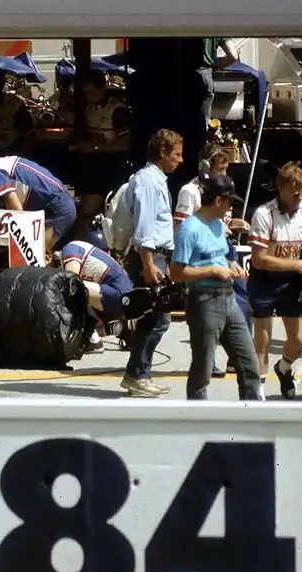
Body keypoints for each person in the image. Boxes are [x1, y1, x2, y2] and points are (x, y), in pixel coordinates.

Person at [170, 174, 262, 400]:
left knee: (250, 366)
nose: (231, 208)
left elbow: (219, 255)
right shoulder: (189, 229)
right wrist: (213, 270)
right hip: (204, 300)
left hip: (229, 299)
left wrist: (229, 264)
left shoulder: (218, 225)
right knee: (203, 370)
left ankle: (251, 419)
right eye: (229, 202)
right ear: (218, 201)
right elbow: (176, 273)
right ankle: (198, 420)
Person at [248, 162, 302, 399]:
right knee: (263, 339)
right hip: (265, 281)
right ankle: (258, 391)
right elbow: (259, 260)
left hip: (293, 281)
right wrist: (297, 265)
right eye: (294, 191)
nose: (299, 196)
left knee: (298, 340)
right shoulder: (263, 214)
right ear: (280, 188)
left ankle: (284, 368)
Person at [175, 142, 252, 376]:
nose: (224, 174)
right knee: (209, 313)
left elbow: (217, 220)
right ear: (206, 167)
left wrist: (231, 224)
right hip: (202, 256)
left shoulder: (223, 189)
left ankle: (236, 356)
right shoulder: (190, 191)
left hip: (225, 249)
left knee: (242, 299)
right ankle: (209, 361)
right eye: (220, 169)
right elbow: (182, 225)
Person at [119, 128, 184, 397]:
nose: (180, 160)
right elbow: (145, 225)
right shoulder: (147, 181)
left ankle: (138, 374)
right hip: (149, 255)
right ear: (163, 152)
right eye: (177, 155)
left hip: (157, 256)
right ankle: (137, 375)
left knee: (155, 319)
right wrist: (148, 263)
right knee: (155, 319)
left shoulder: (157, 180)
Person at [0, 144, 77, 257]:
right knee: (36, 255)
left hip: (57, 209)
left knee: (32, 256)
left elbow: (17, 211)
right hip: (59, 203)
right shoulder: (3, 162)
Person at [70, 71, 133, 240]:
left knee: (87, 212)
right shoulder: (90, 108)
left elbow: (125, 143)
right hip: (94, 167)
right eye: (86, 92)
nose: (89, 96)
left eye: (92, 92)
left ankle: (75, 247)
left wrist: (95, 148)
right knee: (85, 209)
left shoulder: (117, 110)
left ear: (103, 88)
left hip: (112, 168)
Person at [59, 239, 133, 353]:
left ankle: (93, 340)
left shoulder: (69, 250)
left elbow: (72, 284)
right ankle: (121, 327)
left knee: (73, 289)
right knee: (76, 289)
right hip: (122, 295)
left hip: (118, 293)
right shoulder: (80, 248)